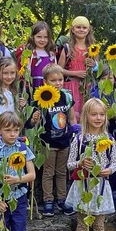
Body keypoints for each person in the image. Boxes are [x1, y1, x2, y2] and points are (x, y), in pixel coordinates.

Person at [66, 98, 116, 231]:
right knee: (82, 225)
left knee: (99, 226)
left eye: (102, 114)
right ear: (86, 116)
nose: (98, 118)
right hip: (84, 187)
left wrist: (108, 170)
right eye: (94, 114)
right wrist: (81, 162)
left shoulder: (109, 139)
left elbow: (114, 163)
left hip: (101, 188)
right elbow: (70, 164)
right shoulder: (79, 139)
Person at [29, 63, 76, 216]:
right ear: (45, 81)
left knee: (62, 171)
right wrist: (33, 118)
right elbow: (34, 121)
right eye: (53, 80)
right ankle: (48, 200)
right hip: (47, 142)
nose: (57, 83)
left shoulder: (66, 96)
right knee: (48, 172)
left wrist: (75, 133)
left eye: (60, 80)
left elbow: (71, 116)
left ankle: (62, 200)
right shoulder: (41, 97)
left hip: (64, 140)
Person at [90, 65, 116, 209]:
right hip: (99, 134)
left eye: (110, 78)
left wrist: (115, 114)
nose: (107, 81)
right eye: (103, 78)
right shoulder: (95, 95)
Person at [58, 16, 96, 122]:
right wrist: (75, 73)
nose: (81, 30)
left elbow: (97, 70)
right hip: (71, 86)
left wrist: (94, 64)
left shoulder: (92, 48)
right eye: (78, 27)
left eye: (84, 28)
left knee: (85, 115)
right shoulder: (67, 48)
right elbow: (59, 70)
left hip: (86, 87)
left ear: (88, 30)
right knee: (71, 117)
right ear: (73, 29)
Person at [0, 58, 26, 141]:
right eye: (5, 73)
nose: (9, 77)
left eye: (12, 73)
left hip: (11, 131)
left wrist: (20, 107)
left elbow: (13, 113)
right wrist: (3, 129)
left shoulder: (14, 91)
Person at [24, 21, 59, 89]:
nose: (42, 40)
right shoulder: (30, 53)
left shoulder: (51, 55)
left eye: (45, 37)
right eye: (39, 37)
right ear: (33, 37)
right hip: (33, 87)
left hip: (49, 88)